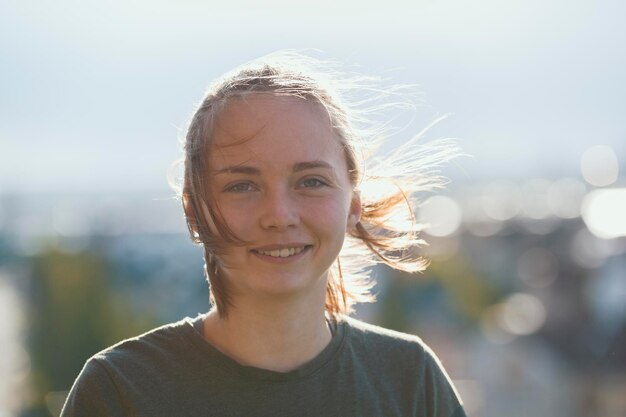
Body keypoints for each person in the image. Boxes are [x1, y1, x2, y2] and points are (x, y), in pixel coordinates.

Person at [61, 52, 466, 417]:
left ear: (353, 206)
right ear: (195, 210)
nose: (279, 215)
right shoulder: (119, 391)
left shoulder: (410, 380)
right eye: (242, 186)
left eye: (311, 181)